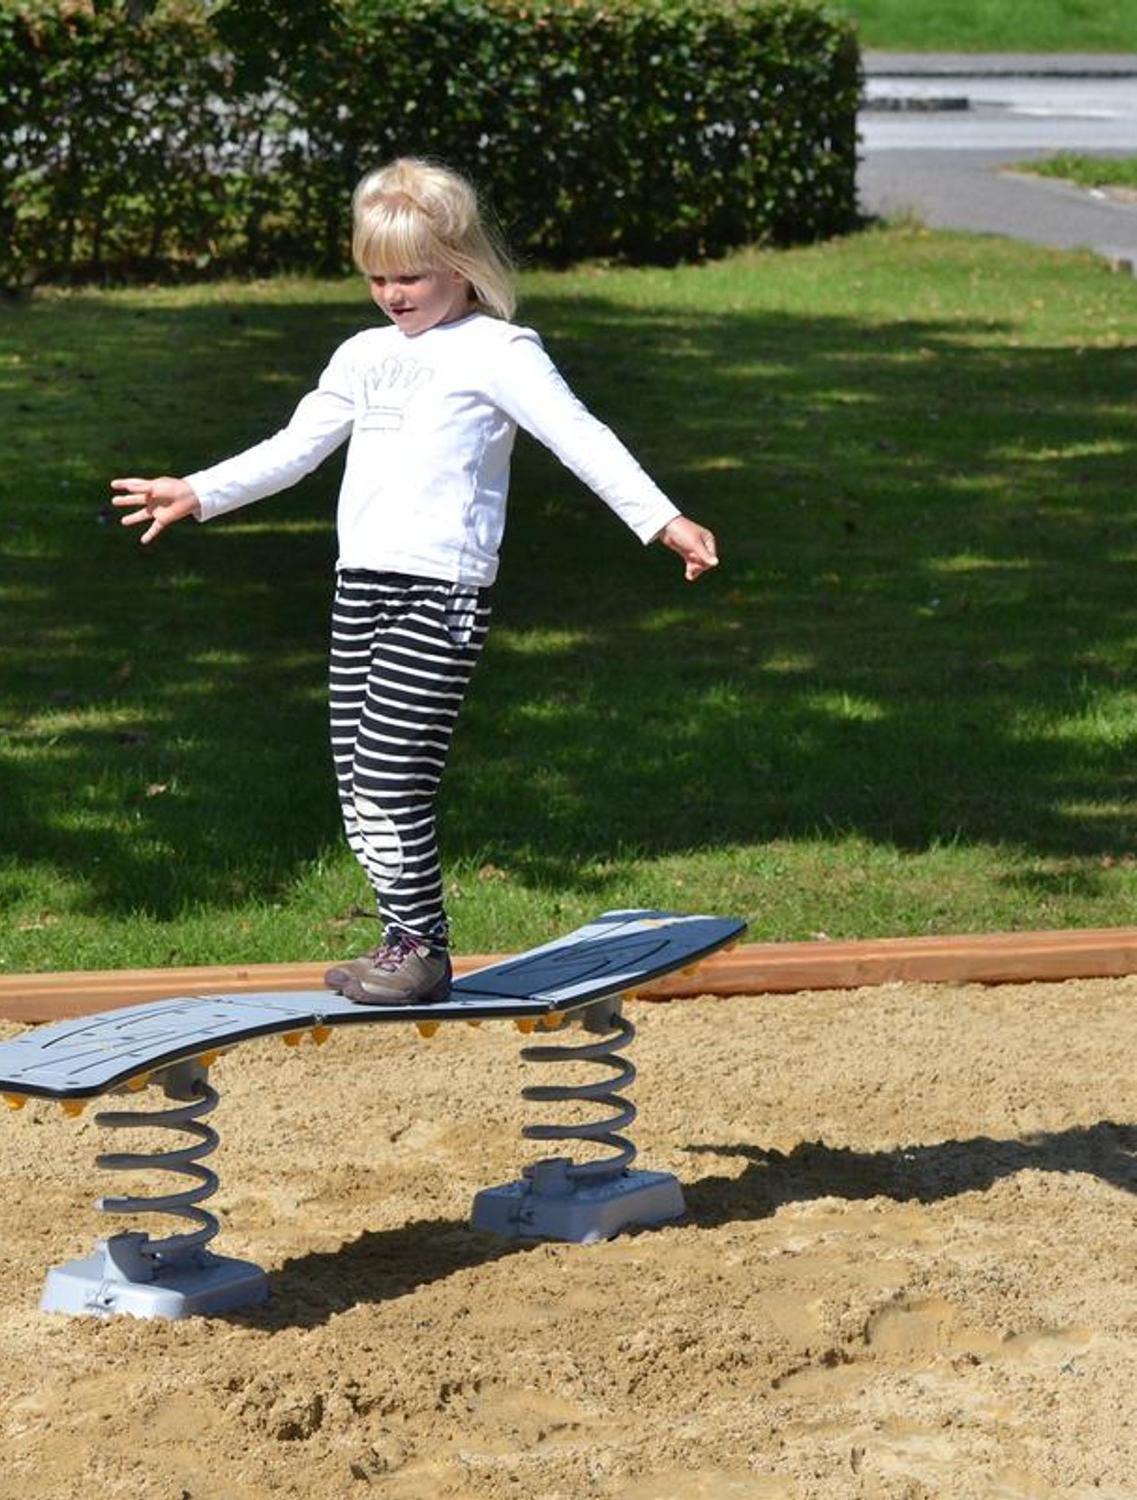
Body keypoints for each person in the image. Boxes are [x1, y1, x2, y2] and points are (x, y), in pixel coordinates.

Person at [112, 157, 718, 1006]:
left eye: (411, 277)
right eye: (376, 279)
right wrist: (199, 490)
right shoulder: (364, 355)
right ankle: (404, 937)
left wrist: (663, 520)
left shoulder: (500, 352)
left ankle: (423, 949)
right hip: (359, 586)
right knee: (356, 780)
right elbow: (297, 448)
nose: (393, 295)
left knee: (396, 775)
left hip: (441, 593)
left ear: (461, 265)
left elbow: (582, 437)